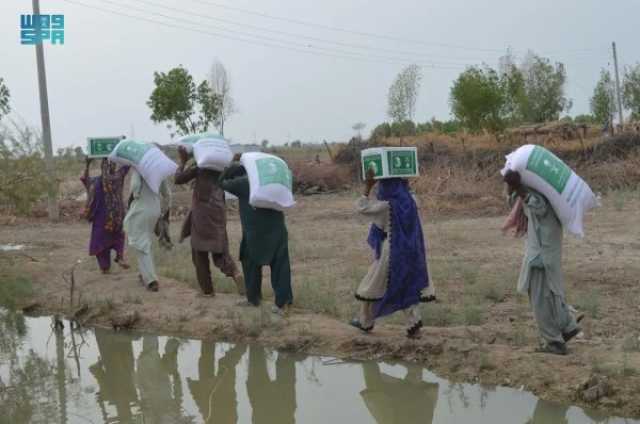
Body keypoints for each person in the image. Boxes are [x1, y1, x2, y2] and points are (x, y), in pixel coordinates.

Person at [503, 170, 581, 355]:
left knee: (540, 299)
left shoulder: (537, 196)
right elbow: (516, 201)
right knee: (551, 293)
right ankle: (568, 326)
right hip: (545, 251)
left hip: (541, 255)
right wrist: (516, 189)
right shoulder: (547, 193)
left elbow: (537, 206)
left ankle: (554, 342)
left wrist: (519, 187)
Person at [350, 168, 430, 338]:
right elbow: (408, 192)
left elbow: (361, 208)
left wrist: (367, 187)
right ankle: (414, 325)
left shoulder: (387, 206)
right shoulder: (413, 201)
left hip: (391, 251)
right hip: (412, 249)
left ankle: (365, 322)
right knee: (409, 285)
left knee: (370, 286)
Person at [218, 154, 293, 314]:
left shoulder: (244, 183)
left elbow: (221, 182)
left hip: (254, 232)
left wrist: (233, 165)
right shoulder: (272, 182)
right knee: (280, 266)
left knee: (250, 262)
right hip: (277, 230)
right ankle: (283, 303)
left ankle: (253, 299)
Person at [174, 146, 244, 297]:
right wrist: (233, 160)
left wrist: (183, 161)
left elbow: (178, 179)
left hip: (201, 215)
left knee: (199, 253)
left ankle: (207, 291)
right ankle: (235, 272)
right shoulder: (222, 169)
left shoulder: (199, 168)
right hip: (218, 213)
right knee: (220, 250)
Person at [123, 169, 171, 292]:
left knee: (140, 243)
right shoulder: (159, 171)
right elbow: (167, 194)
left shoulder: (139, 169)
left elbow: (135, 186)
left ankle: (151, 280)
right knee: (144, 240)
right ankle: (143, 273)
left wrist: (136, 194)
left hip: (141, 209)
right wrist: (164, 211)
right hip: (155, 209)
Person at [81, 158, 130, 273]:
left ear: (102, 167)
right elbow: (126, 167)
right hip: (116, 217)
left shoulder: (96, 181)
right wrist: (124, 155)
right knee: (118, 237)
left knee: (101, 243)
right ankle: (119, 256)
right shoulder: (117, 177)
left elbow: (85, 179)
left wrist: (87, 164)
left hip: (101, 219)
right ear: (113, 167)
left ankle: (105, 268)